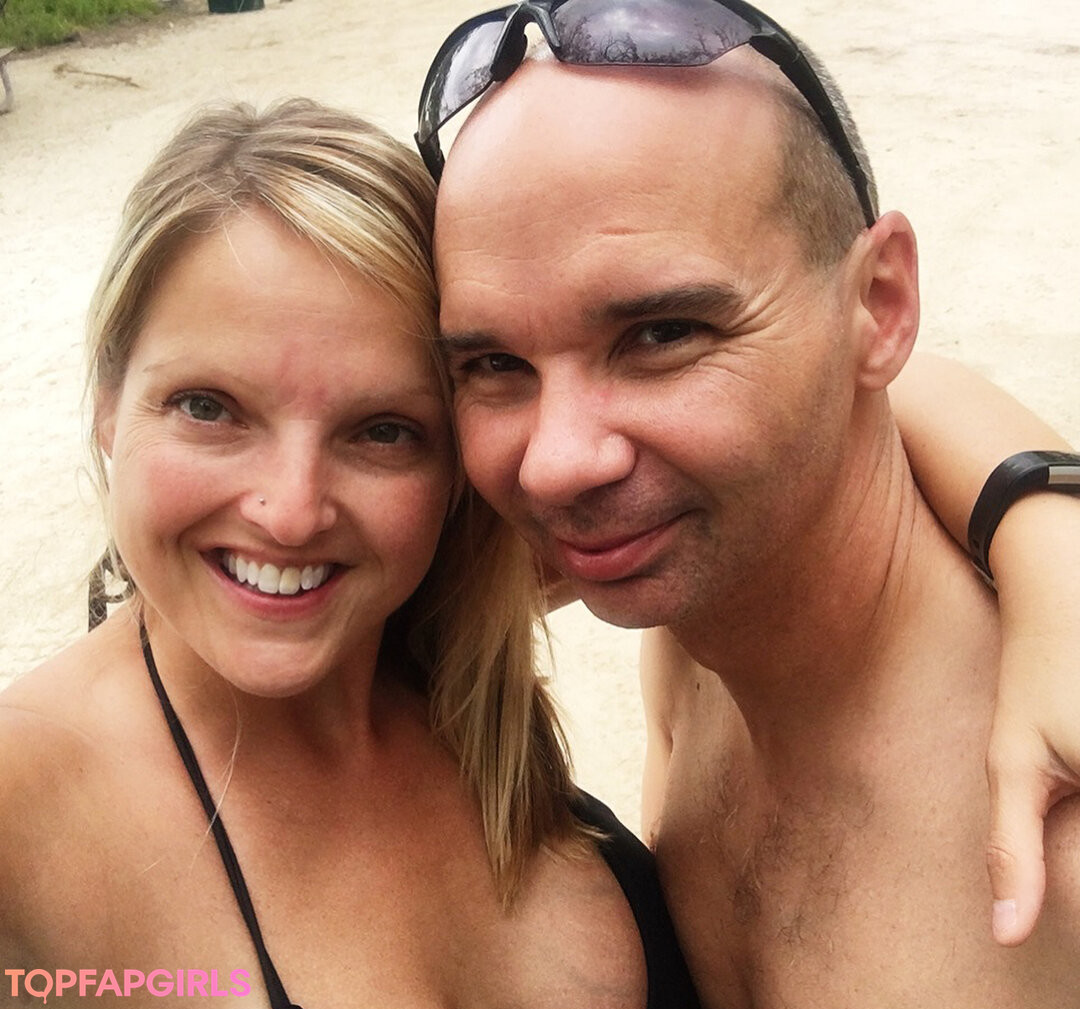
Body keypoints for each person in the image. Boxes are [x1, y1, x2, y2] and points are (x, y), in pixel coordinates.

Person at [418, 1, 1080, 1006]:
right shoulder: (696, 626)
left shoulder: (1049, 817)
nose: (555, 465)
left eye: (661, 334)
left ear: (880, 304)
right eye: (495, 363)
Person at [0, 99, 699, 1008]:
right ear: (108, 402)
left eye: (382, 430)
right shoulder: (21, 814)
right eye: (209, 407)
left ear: (455, 467)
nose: (292, 515)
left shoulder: (455, 629)